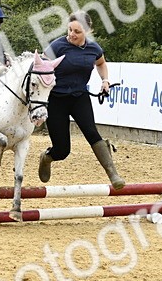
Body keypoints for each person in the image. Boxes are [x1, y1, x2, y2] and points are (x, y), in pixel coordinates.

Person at [38, 11, 124, 190]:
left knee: (92, 133)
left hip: (79, 97)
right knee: (62, 150)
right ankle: (46, 157)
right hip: (56, 99)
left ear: (87, 31)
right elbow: (41, 68)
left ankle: (113, 173)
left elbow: (100, 63)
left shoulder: (94, 48)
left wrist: (105, 80)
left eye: (77, 31)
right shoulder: (57, 46)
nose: (72, 34)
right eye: (70, 29)